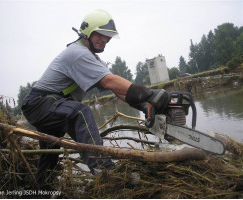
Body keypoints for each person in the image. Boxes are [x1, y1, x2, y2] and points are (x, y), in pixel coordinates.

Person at [21, 9, 169, 188]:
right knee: (80, 112)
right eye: (101, 34)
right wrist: (150, 93)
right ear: (88, 31)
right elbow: (109, 81)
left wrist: (145, 106)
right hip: (38, 104)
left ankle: (40, 190)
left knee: (49, 156)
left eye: (108, 37)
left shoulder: (93, 60)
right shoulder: (77, 53)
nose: (105, 40)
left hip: (55, 107)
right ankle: (103, 169)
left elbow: (116, 90)